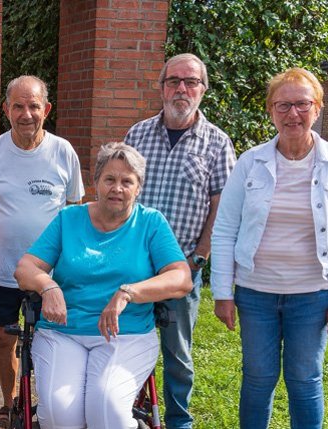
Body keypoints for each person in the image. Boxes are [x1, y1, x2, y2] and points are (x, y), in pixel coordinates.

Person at [210, 68, 328, 429]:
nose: (292, 114)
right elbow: (224, 230)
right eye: (283, 105)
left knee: (304, 380)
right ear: (271, 110)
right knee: (257, 378)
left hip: (313, 295)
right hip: (255, 293)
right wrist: (223, 292)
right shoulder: (251, 161)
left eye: (302, 104)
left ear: (318, 109)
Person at [15, 142, 192, 429]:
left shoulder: (150, 223)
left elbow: (181, 278)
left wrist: (128, 292)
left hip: (127, 334)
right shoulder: (68, 219)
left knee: (107, 413)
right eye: (109, 179)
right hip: (64, 332)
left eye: (127, 181)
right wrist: (48, 286)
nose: (117, 188)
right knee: (60, 417)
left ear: (138, 188)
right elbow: (25, 268)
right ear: (95, 182)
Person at [124, 53, 236, 429]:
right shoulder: (137, 135)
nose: (182, 88)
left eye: (191, 82)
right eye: (174, 81)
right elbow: (121, 195)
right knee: (125, 344)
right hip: (135, 265)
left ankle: (178, 421)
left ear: (203, 89)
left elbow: (222, 205)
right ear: (161, 87)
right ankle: (124, 411)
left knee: (178, 354)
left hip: (182, 267)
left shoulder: (218, 143)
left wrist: (199, 257)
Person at [0, 75, 84, 429]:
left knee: (52, 343)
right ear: (6, 110)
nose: (26, 113)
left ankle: (49, 411)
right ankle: (9, 407)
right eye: (17, 106)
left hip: (50, 275)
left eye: (33, 105)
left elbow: (74, 208)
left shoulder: (63, 152)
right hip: (1, 270)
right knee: (4, 340)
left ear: (46, 109)